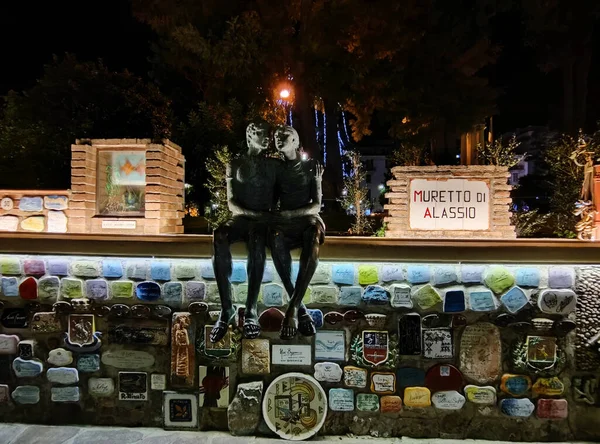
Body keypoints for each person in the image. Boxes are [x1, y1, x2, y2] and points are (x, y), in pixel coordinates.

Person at [210, 121, 279, 342]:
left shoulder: (274, 165)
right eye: (260, 133)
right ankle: (226, 308)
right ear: (250, 136)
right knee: (219, 235)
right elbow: (231, 202)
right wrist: (253, 214)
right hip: (241, 218)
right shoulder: (235, 163)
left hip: (262, 221)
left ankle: (251, 310)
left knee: (257, 243)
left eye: (267, 133)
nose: (266, 137)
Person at [270, 125, 325, 339]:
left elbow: (316, 205)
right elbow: (272, 203)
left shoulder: (311, 167)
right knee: (274, 237)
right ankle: (300, 309)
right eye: (276, 135)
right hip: (285, 222)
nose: (278, 138)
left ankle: (292, 309)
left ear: (295, 140)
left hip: (307, 219)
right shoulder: (275, 169)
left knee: (312, 235)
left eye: (284, 135)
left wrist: (289, 214)